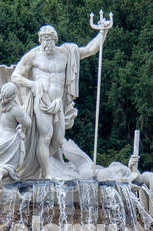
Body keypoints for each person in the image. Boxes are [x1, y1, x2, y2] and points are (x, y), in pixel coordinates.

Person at [10, 24, 107, 178]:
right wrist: (33, 84)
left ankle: (37, 164)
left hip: (58, 103)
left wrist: (103, 33)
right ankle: (47, 173)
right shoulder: (34, 56)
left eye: (49, 40)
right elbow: (15, 76)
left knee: (58, 139)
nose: (46, 44)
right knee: (46, 136)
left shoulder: (65, 54)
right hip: (41, 101)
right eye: (43, 40)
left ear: (54, 39)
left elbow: (90, 50)